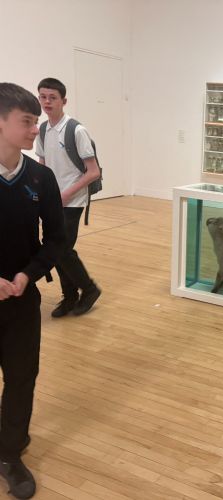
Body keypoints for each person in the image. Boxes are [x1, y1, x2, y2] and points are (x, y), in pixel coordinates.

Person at [0, 82, 65, 499]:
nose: (34, 130)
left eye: (36, 122)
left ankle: (9, 453)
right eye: (26, 121)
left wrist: (29, 274)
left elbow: (57, 240)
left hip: (22, 303)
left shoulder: (41, 177)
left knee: (22, 378)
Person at [35, 78, 101, 318]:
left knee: (61, 249)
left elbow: (93, 171)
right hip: (52, 200)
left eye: (52, 97)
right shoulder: (43, 130)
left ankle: (90, 289)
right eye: (43, 97)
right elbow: (42, 165)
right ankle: (70, 296)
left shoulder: (77, 130)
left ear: (64, 101)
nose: (47, 102)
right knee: (56, 249)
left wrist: (66, 193)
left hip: (72, 201)